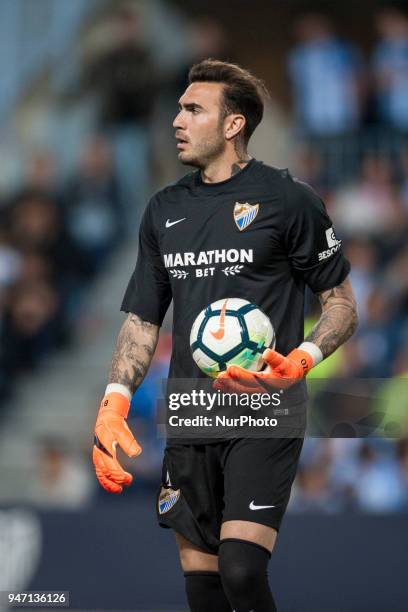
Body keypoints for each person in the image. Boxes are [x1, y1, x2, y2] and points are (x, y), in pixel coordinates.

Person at [92, 60, 358, 611]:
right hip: (191, 411)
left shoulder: (290, 199)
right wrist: (114, 402)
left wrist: (303, 358)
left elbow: (341, 304)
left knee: (241, 569)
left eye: (193, 109)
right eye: (178, 108)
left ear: (233, 124)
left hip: (265, 409)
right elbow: (143, 320)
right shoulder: (163, 210)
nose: (176, 120)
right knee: (204, 589)